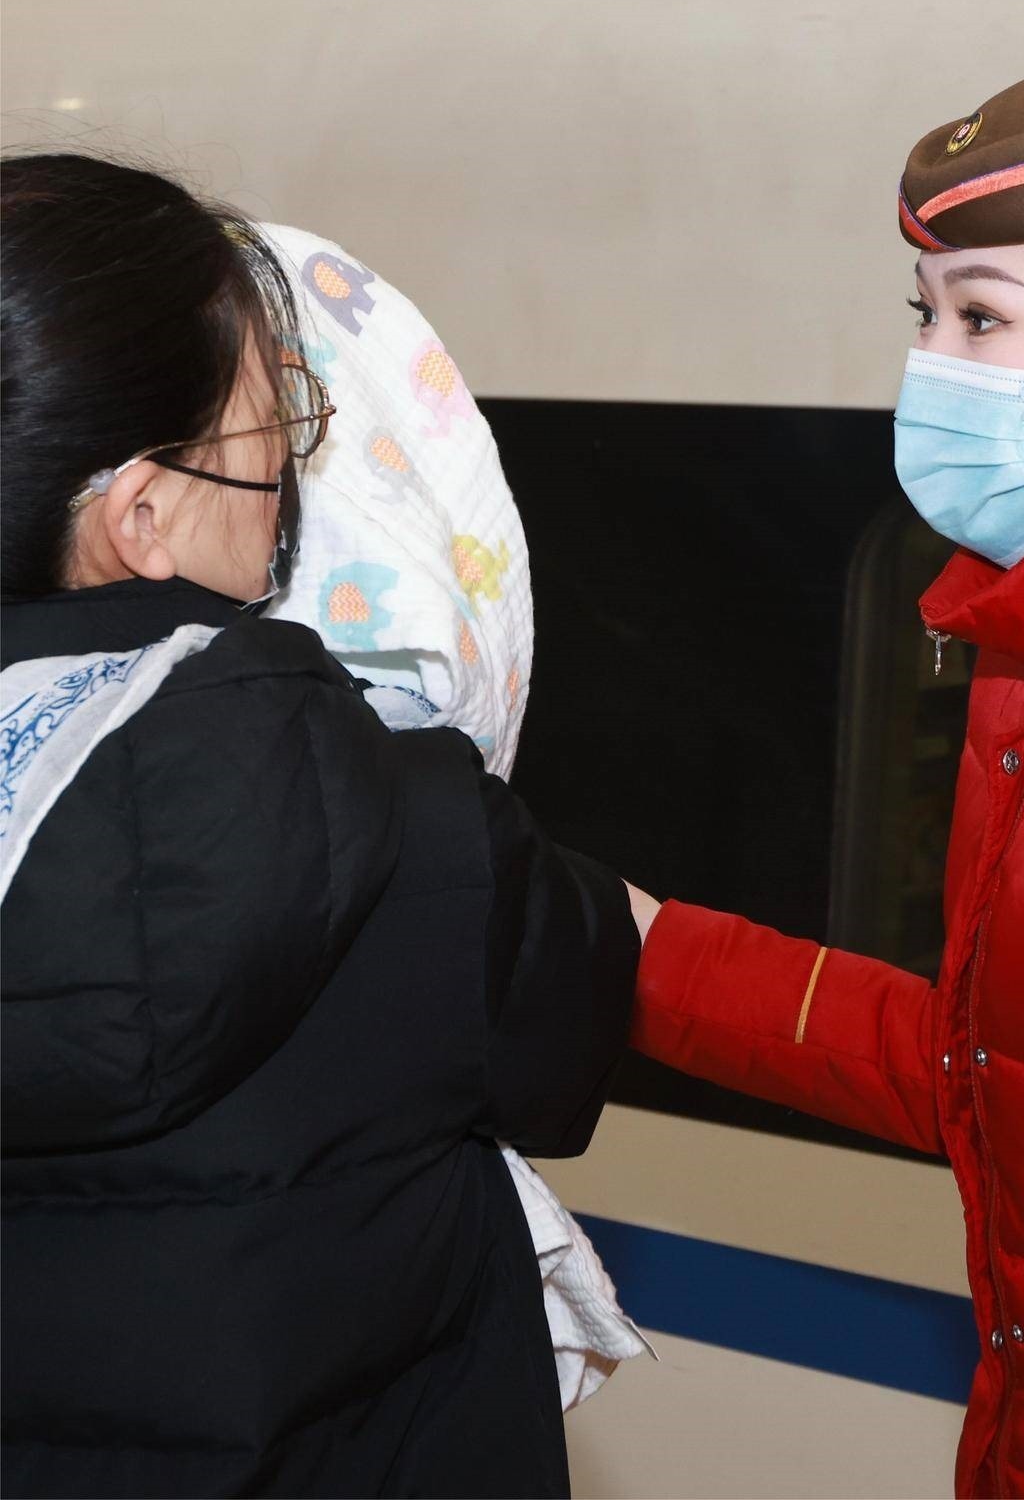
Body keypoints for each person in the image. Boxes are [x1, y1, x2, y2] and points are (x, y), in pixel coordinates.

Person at [0, 152, 640, 1500]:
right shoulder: (411, 824)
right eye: (267, 439)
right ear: (142, 515)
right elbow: (571, 1029)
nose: (293, 481)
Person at [625, 61, 1024, 1499]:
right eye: (924, 317)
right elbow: (1004, 1077)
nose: (932, 368)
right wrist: (633, 952)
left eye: (983, 319)